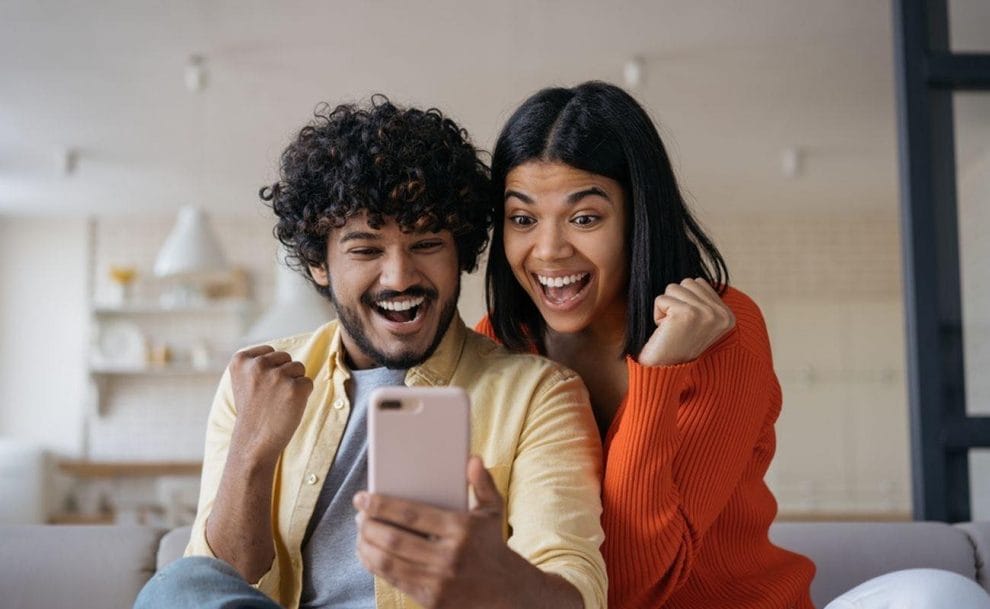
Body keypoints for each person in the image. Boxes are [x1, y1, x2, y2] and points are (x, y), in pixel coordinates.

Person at [478, 80, 990, 609]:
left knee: (943, 595)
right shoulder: (495, 346)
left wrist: (659, 371)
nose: (549, 250)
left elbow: (636, 581)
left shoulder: (723, 330)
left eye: (585, 218)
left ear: (637, 217)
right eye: (523, 219)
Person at [134, 97, 606, 609]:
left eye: (427, 244)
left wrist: (499, 580)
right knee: (180, 584)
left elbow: (578, 586)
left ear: (460, 253)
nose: (400, 276)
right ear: (319, 263)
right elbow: (216, 583)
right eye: (366, 250)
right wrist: (253, 452)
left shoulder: (539, 394)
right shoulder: (256, 379)